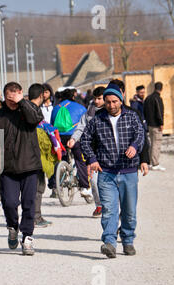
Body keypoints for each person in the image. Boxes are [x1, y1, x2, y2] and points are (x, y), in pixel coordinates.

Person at [81, 82, 145, 258]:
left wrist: (134, 146)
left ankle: (127, 240)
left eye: (115, 101)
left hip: (128, 171)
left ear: (121, 100)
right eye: (108, 102)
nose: (111, 105)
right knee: (109, 209)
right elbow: (85, 141)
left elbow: (141, 134)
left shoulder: (132, 117)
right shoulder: (97, 120)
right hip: (106, 172)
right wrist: (92, 159)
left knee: (129, 210)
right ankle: (109, 242)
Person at [0, 82, 44, 256]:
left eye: (16, 95)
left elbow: (35, 118)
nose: (13, 99)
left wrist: (22, 102)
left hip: (29, 166)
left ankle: (28, 237)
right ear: (5, 96)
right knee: (9, 202)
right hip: (7, 169)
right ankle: (12, 226)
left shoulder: (28, 109)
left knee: (29, 203)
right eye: (10, 96)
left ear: (21, 94)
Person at [68, 86, 105, 218]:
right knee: (94, 181)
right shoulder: (90, 111)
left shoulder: (112, 110)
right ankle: (99, 205)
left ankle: (115, 209)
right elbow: (81, 126)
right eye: (95, 98)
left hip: (110, 153)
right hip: (94, 153)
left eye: (99, 99)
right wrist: (73, 139)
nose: (96, 101)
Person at [50, 88, 92, 198]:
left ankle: (56, 184)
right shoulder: (80, 107)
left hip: (59, 138)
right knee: (80, 160)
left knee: (60, 159)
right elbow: (85, 124)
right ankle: (84, 186)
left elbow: (51, 124)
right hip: (74, 137)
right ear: (73, 97)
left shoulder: (55, 109)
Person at [144, 82, 165, 171]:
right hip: (156, 125)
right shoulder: (157, 98)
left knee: (152, 144)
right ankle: (155, 163)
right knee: (156, 144)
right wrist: (161, 123)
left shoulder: (148, 98)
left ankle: (149, 162)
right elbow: (159, 112)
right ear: (161, 89)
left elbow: (144, 111)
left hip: (149, 125)